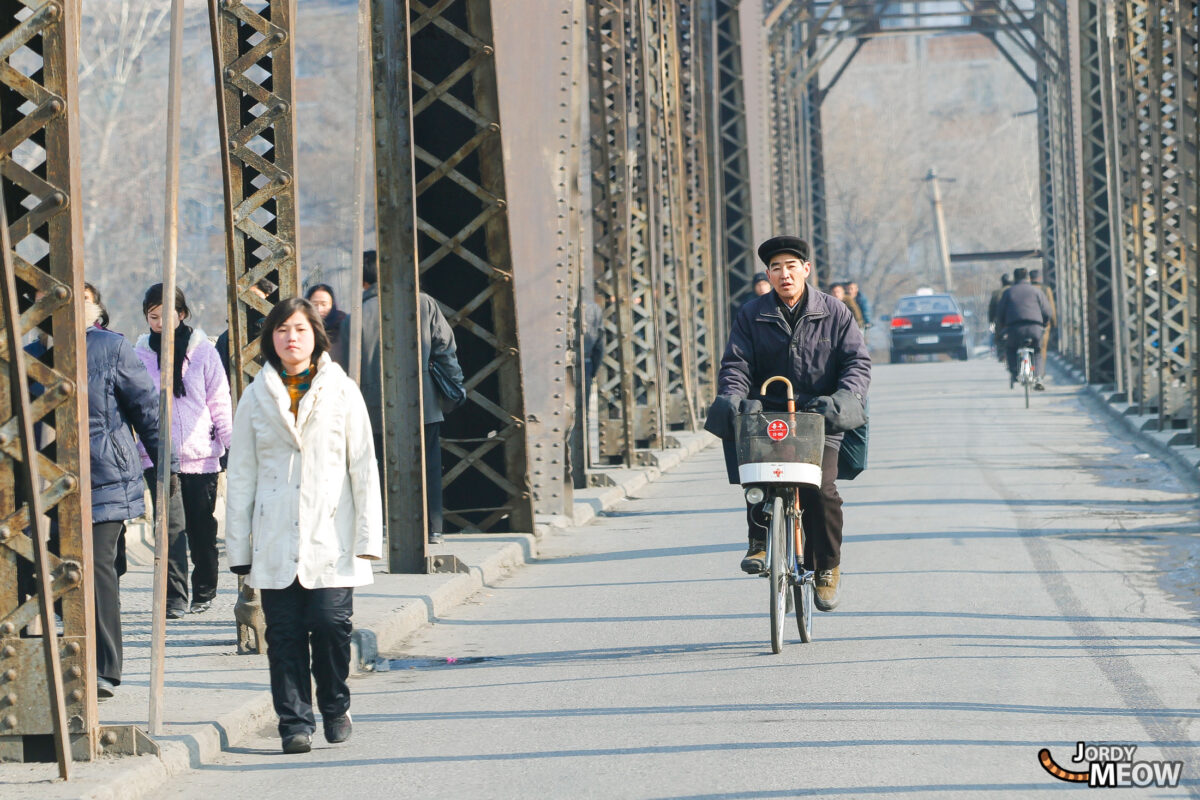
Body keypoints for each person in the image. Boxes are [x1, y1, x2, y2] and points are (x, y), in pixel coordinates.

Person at [225, 297, 383, 755]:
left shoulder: (342, 391)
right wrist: (239, 549)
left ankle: (335, 705)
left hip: (330, 532)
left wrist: (368, 538)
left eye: (299, 329)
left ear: (315, 335)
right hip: (275, 536)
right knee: (285, 634)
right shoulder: (255, 396)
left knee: (331, 624)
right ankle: (294, 722)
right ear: (269, 339)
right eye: (281, 330)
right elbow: (242, 476)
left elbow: (363, 466)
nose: (290, 338)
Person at [704, 236, 870, 611]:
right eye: (776, 268)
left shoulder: (835, 312)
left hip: (819, 414)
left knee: (821, 490)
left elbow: (857, 364)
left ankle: (827, 568)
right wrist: (733, 397)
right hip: (770, 413)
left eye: (791, 266)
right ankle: (760, 544)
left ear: (806, 270)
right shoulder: (751, 313)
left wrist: (842, 400)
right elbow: (736, 364)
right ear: (768, 274)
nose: (784, 274)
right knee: (759, 477)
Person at [83, 290, 172, 697]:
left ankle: (105, 668)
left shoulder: (110, 347)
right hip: (49, 485)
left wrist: (163, 471)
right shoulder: (30, 350)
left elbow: (146, 409)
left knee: (99, 567)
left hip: (105, 476)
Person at [135, 284, 233, 617]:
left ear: (182, 314)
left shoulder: (204, 351)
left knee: (201, 529)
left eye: (168, 315)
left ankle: (204, 589)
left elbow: (219, 401)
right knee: (169, 529)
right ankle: (174, 599)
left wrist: (230, 444)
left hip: (201, 455)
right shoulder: (139, 355)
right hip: (158, 456)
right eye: (153, 316)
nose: (161, 322)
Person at [419, 292, 466, 545]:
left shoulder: (358, 308)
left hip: (370, 405)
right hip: (423, 402)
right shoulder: (424, 303)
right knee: (429, 465)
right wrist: (455, 387)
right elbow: (444, 346)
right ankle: (433, 528)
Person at [995, 267, 1053, 390]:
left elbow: (999, 314)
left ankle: (1015, 373)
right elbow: (1048, 311)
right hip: (1035, 328)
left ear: (1015, 278)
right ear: (1027, 278)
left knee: (1010, 349)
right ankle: (1038, 378)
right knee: (1037, 351)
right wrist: (1045, 323)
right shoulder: (1037, 291)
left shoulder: (1008, 292)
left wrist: (1001, 330)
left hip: (1014, 329)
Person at [216, 277, 277, 381]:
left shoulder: (277, 333)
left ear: (267, 296)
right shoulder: (227, 337)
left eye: (255, 296)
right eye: (246, 297)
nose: (251, 301)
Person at [305, 283, 347, 355]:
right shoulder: (303, 325)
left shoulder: (344, 324)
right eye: (314, 304)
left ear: (332, 304)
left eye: (324, 304)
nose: (319, 309)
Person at [1029, 270, 1057, 376]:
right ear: (1040, 278)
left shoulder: (1028, 289)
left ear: (1030, 278)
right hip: (1042, 323)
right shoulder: (1046, 289)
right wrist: (1054, 323)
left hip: (1029, 322)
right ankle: (1040, 371)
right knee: (1041, 348)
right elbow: (1051, 307)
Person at [987, 274, 1012, 362]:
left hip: (1001, 322)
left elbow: (991, 310)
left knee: (999, 336)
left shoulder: (996, 293)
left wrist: (991, 322)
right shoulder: (1017, 291)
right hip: (1016, 320)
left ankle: (1002, 353)